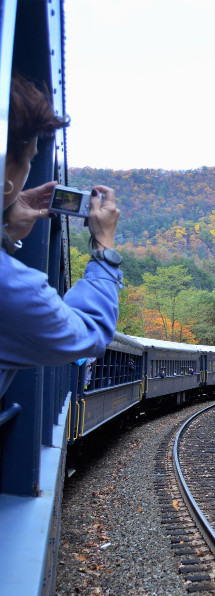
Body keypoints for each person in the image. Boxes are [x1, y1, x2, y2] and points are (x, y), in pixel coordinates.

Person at [0, 72, 121, 400]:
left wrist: (8, 234)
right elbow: (90, 334)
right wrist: (104, 248)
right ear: (6, 176)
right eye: (28, 159)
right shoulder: (13, 287)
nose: (28, 169)